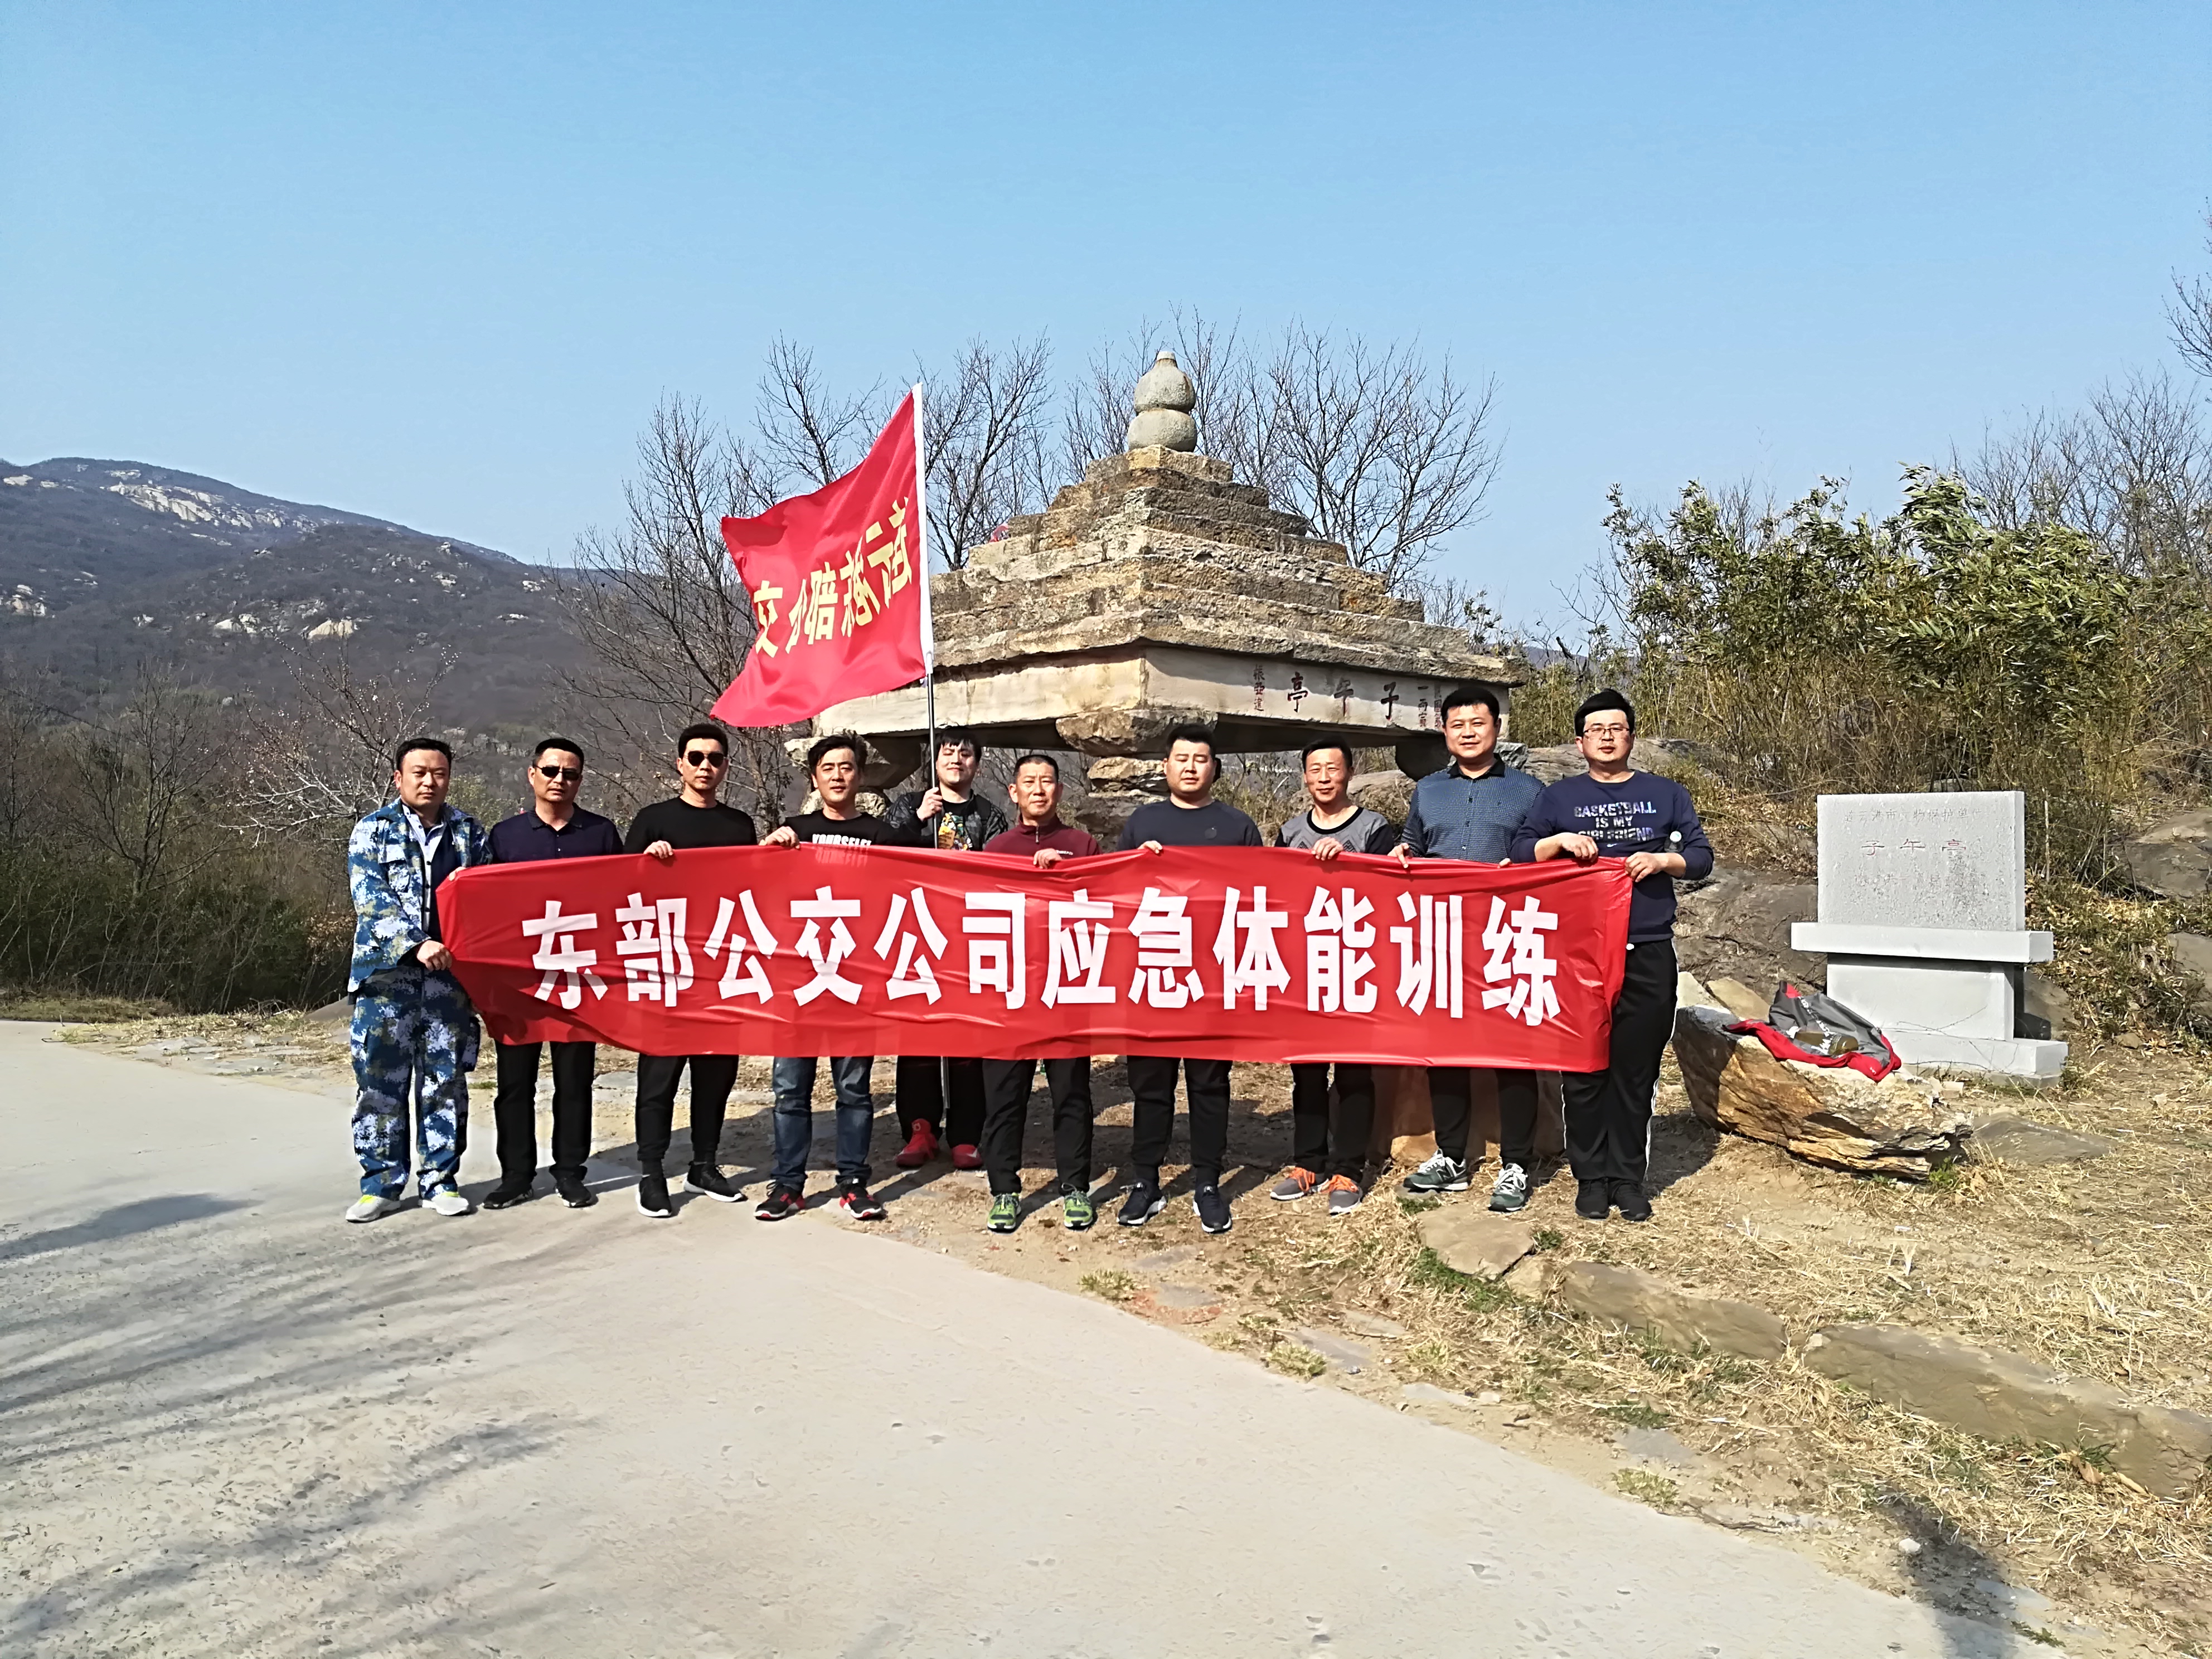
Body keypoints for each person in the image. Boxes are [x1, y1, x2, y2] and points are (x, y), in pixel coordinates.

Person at [1512, 688, 1712, 1223]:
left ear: (1631, 737)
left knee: (1635, 1068)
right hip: (1577, 952)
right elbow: (1520, 852)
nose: (1606, 737)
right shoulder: (1558, 799)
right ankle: (1590, 1177)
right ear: (1580, 742)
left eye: (1616, 728)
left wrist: (1663, 860)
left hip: (1647, 947)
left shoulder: (1666, 794)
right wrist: (1559, 843)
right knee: (1583, 1068)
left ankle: (1627, 1177)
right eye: (1595, 730)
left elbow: (1700, 857)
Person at [1392, 685, 1548, 1211]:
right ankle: (1452, 1156)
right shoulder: (1428, 790)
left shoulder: (1530, 791)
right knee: (1445, 1050)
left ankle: (1517, 1163)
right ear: (1445, 732)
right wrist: (1403, 853)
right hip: (1442, 935)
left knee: (1514, 1052)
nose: (1468, 732)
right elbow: (1414, 845)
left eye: (1478, 723)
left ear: (1497, 729)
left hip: (1505, 935)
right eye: (1457, 724)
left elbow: (1545, 854)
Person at [1114, 724, 1263, 1234]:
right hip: (1154, 974)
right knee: (1150, 1086)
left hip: (1213, 977)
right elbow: (1117, 896)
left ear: (1214, 768)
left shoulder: (1237, 826)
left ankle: (1207, 1183)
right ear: (1166, 766)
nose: (1191, 767)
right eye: (1182, 758)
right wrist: (1140, 867)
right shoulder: (1142, 823)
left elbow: (1261, 897)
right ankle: (1146, 1181)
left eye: (1201, 759)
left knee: (1209, 1085)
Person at [343, 737, 494, 1222]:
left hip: (448, 983)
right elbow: (371, 898)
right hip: (386, 980)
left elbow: (487, 899)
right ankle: (380, 1184)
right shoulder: (373, 830)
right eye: (420, 773)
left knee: (444, 1082)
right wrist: (417, 943)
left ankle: (440, 1181)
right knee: (379, 1083)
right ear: (399, 778)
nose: (430, 782)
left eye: (440, 773)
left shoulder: (469, 833)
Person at [755, 733, 901, 1223]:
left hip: (855, 981)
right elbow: (759, 890)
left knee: (854, 1090)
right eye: (828, 768)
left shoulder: (882, 837)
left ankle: (854, 1182)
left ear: (860, 775)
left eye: (847, 767)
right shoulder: (794, 831)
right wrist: (768, 850)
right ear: (814, 778)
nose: (838, 776)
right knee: (790, 1090)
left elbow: (914, 888)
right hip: (798, 981)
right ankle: (787, 1185)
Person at [623, 722, 760, 1220]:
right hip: (665, 967)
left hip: (721, 967)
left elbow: (755, 888)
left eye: (716, 759)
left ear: (726, 767)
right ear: (680, 763)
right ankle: (651, 1172)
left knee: (716, 1075)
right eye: (697, 758)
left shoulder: (740, 825)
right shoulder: (653, 820)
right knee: (659, 1077)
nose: (706, 766)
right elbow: (618, 890)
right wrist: (646, 863)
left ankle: (704, 1165)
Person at [483, 736, 623, 1212]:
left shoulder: (601, 834)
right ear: (532, 775)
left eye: (571, 773)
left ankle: (570, 1172)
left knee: (575, 1081)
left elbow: (622, 899)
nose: (560, 780)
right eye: (551, 771)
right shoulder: (505, 836)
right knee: (514, 1084)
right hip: (520, 980)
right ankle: (516, 1176)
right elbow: (485, 905)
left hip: (579, 975)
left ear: (581, 780)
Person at [1270, 739, 1399, 1218]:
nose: (1324, 777)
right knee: (1306, 1071)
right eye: (1315, 769)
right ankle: (1308, 1161)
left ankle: (1349, 1168)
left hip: (1358, 966)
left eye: (1333, 768)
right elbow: (1277, 894)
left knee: (1353, 1073)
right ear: (1305, 776)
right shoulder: (1289, 832)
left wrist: (1348, 862)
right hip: (1306, 966)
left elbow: (1388, 891)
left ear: (1350, 773)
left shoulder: (1374, 828)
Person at [977, 753, 1103, 1233]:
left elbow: (1104, 906)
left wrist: (1064, 879)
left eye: (1047, 781)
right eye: (1028, 781)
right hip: (1010, 993)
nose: (1038, 789)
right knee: (1004, 1097)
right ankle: (1004, 1191)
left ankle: (1075, 1186)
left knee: (1071, 1094)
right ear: (1013, 792)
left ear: (1059, 791)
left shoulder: (1082, 845)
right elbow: (979, 913)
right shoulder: (997, 848)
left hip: (1067, 990)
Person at [883, 728, 1008, 1171]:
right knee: (917, 1039)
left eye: (966, 753)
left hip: (968, 939)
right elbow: (882, 856)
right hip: (916, 936)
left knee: (968, 1041)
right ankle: (920, 1128)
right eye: (948, 751)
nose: (957, 759)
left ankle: (967, 1132)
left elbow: (1001, 872)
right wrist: (919, 818)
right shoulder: (907, 806)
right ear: (934, 761)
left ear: (978, 764)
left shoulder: (990, 815)